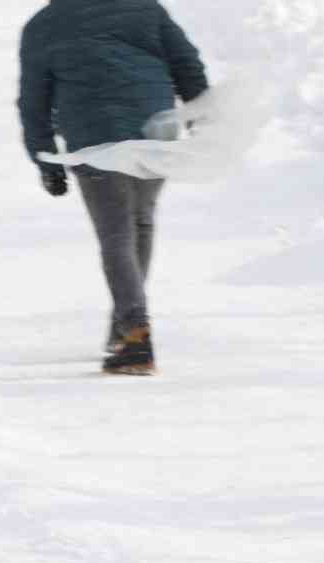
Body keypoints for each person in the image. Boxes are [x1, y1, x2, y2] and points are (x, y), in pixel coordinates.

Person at [18, 0, 208, 375]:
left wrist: (45, 160)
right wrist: (202, 120)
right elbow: (187, 64)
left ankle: (134, 335)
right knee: (140, 223)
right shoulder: (145, 9)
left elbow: (33, 103)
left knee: (116, 234)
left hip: (96, 138)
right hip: (156, 132)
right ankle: (124, 328)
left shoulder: (44, 24)